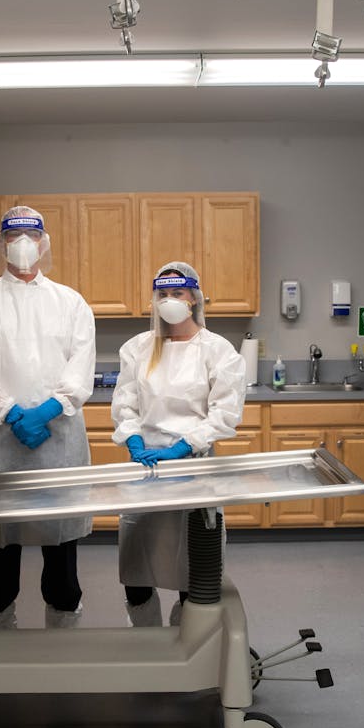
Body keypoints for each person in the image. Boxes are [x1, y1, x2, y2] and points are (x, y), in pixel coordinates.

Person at [0, 205, 97, 629]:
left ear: (43, 243)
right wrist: (13, 413)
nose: (21, 245)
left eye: (30, 236)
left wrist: (49, 409)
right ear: (1, 244)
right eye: (13, 236)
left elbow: (80, 364)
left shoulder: (70, 302)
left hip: (58, 441)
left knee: (61, 559)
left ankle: (62, 648)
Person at [111, 261, 245, 626]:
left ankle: (188, 642)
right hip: (145, 468)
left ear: (194, 299)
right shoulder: (138, 348)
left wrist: (184, 447)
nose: (169, 301)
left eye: (178, 293)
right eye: (163, 294)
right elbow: (125, 402)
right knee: (137, 566)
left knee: (193, 568)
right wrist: (134, 439)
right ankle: (148, 644)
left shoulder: (217, 350)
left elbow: (224, 413)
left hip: (193, 467)